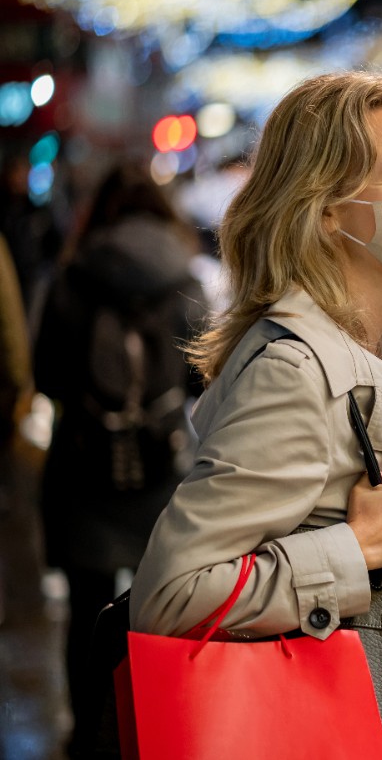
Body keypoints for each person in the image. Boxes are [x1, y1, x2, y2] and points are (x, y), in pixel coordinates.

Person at [130, 71, 382, 753]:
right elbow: (169, 593)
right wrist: (355, 550)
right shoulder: (295, 372)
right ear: (326, 208)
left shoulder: (380, 339)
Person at [33, 165, 207, 756]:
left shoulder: (72, 277)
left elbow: (45, 373)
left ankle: (89, 731)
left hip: (84, 470)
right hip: (161, 473)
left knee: (86, 608)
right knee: (164, 603)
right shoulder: (184, 278)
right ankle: (153, 724)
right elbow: (202, 378)